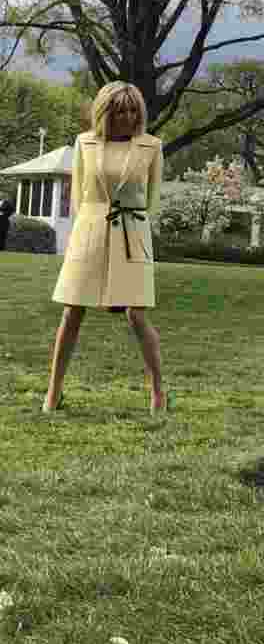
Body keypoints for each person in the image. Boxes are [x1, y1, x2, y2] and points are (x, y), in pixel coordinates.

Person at [45, 81, 165, 413]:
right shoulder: (84, 143)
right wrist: (83, 231)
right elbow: (78, 197)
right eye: (120, 111)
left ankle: (158, 391)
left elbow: (152, 201)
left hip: (132, 233)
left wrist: (137, 230)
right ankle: (53, 391)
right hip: (90, 231)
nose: (128, 117)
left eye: (133, 111)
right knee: (72, 311)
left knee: (136, 315)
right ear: (105, 112)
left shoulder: (152, 146)